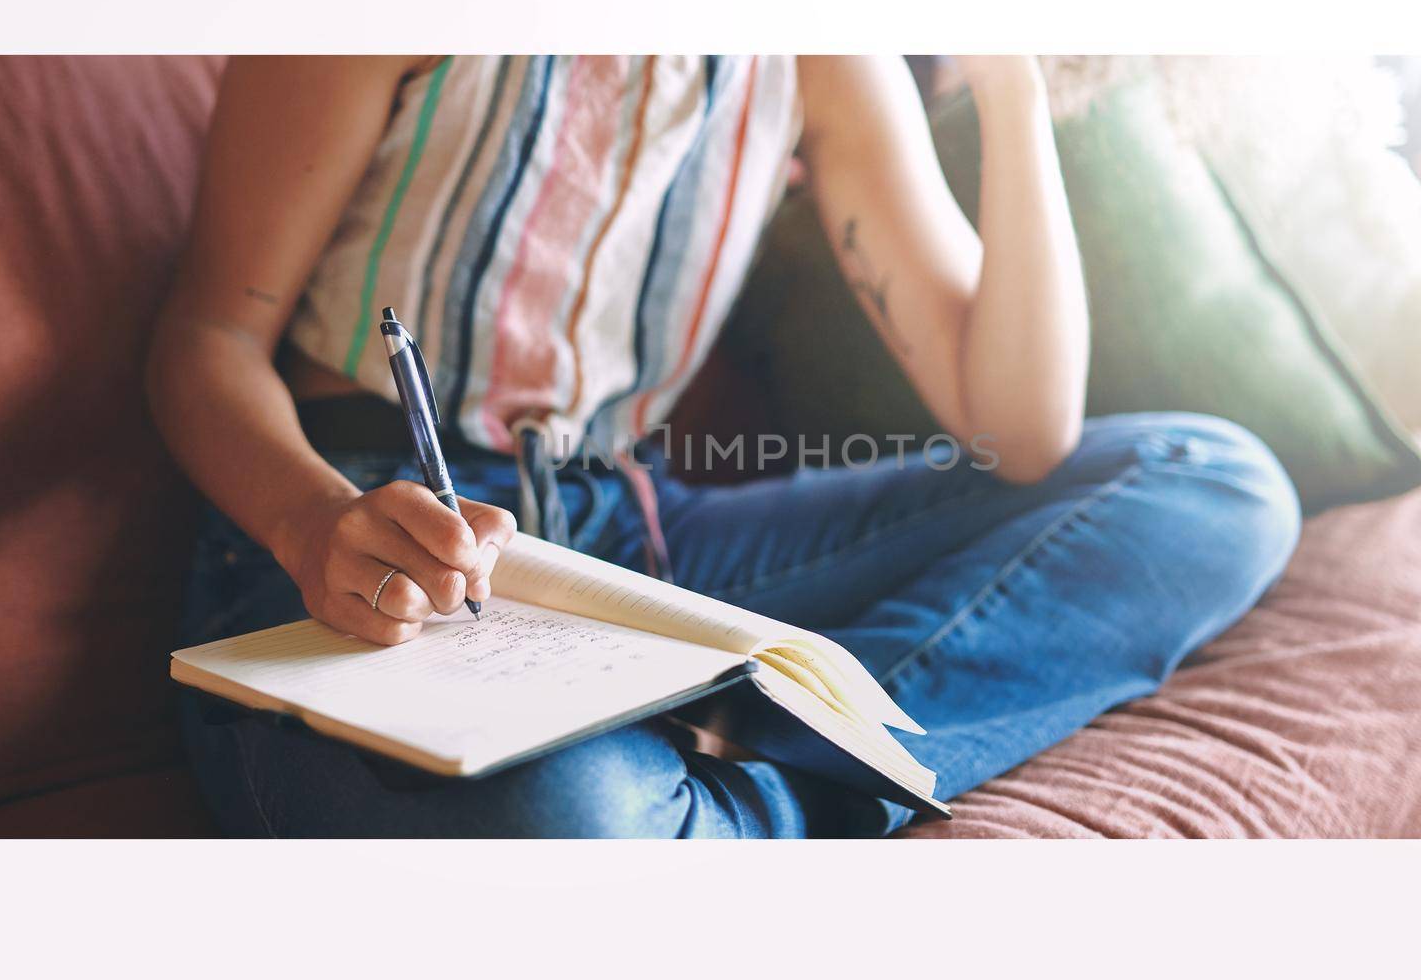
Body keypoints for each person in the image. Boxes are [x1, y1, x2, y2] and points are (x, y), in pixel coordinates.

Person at [148, 55, 1300, 837]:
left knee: (1212, 481)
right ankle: (700, 798)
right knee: (570, 817)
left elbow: (1025, 430)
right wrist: (311, 524)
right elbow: (203, 341)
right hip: (369, 537)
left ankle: (752, 791)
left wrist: (1008, 83)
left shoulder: (820, 52)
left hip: (628, 535)